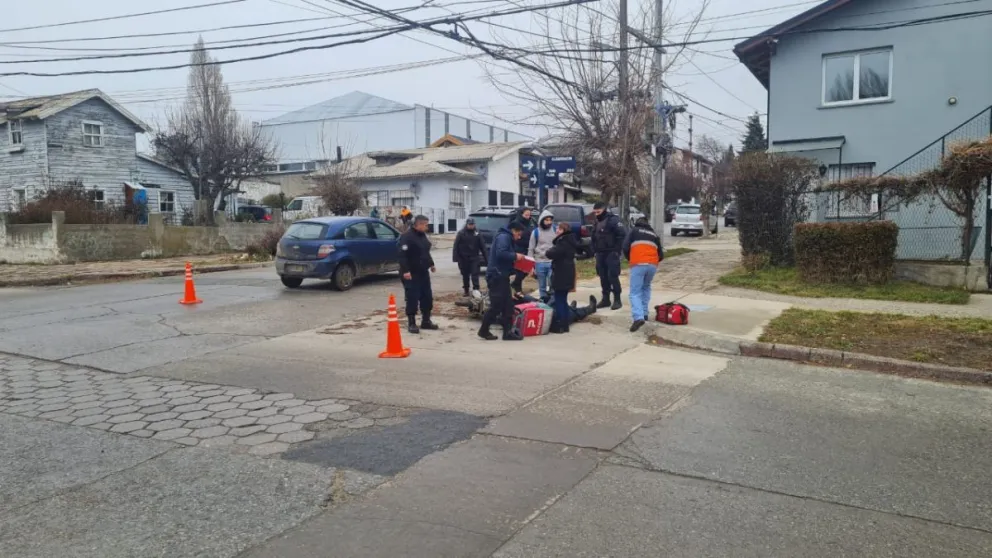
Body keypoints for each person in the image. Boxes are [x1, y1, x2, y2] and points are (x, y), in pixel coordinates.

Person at [479, 221, 525, 341]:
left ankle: (507, 333)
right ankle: (483, 330)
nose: (519, 237)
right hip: (496, 276)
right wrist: (515, 256)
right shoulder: (504, 237)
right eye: (518, 234)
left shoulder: (506, 237)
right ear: (513, 231)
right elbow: (501, 254)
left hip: (502, 275)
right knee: (496, 306)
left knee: (508, 306)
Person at [457, 291, 599, 326]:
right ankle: (590, 309)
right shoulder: (507, 316)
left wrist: (521, 296)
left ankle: (572, 307)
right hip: (547, 315)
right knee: (571, 313)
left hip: (541, 310)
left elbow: (531, 302)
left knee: (547, 301)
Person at [397, 215, 438, 334]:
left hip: (423, 272)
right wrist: (405, 271)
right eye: (425, 224)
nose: (427, 227)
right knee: (412, 297)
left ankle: (426, 321)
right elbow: (401, 255)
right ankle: (412, 323)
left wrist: (431, 264)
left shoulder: (422, 236)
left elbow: (425, 251)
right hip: (411, 273)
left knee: (427, 297)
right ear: (418, 224)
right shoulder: (407, 237)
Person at [623, 217, 664, 332]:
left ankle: (638, 317)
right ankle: (644, 313)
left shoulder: (634, 231)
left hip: (638, 263)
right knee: (646, 287)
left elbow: (625, 247)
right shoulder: (654, 235)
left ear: (637, 223)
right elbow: (661, 255)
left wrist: (630, 258)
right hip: (652, 265)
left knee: (635, 292)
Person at [543, 222, 578, 333]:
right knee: (563, 299)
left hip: (561, 273)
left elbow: (551, 253)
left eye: (559, 229)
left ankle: (561, 324)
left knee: (559, 300)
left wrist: (547, 251)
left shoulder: (563, 242)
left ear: (563, 231)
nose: (557, 230)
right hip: (567, 272)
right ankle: (565, 324)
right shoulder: (570, 241)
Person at [591, 202, 626, 310]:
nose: (597, 214)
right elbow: (593, 237)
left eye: (598, 212)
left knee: (612, 276)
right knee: (603, 276)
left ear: (604, 210)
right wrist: (594, 251)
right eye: (595, 212)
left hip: (611, 252)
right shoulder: (597, 222)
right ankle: (606, 299)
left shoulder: (613, 220)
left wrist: (617, 251)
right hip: (600, 253)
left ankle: (617, 299)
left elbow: (622, 235)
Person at [452, 218, 487, 296]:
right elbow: (456, 246)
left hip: (474, 257)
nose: (471, 226)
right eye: (469, 225)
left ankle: (476, 289)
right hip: (463, 258)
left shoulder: (477, 233)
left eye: (472, 224)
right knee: (465, 275)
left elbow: (483, 247)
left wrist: (486, 258)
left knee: (475, 274)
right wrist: (455, 258)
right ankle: (466, 290)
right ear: (467, 224)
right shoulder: (461, 233)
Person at [527, 209, 556, 301]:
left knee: (553, 284)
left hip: (552, 262)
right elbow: (531, 249)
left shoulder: (556, 230)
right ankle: (543, 302)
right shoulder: (535, 232)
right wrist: (530, 267)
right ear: (542, 220)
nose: (549, 222)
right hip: (539, 262)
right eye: (546, 220)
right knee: (542, 286)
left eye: (550, 220)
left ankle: (553, 302)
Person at [509, 207, 534, 294]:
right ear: (521, 214)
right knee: (520, 271)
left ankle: (515, 285)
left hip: (529, 249)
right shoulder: (515, 223)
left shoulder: (531, 223)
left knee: (526, 270)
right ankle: (517, 289)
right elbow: (513, 236)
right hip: (518, 249)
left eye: (529, 215)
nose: (528, 217)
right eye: (526, 215)